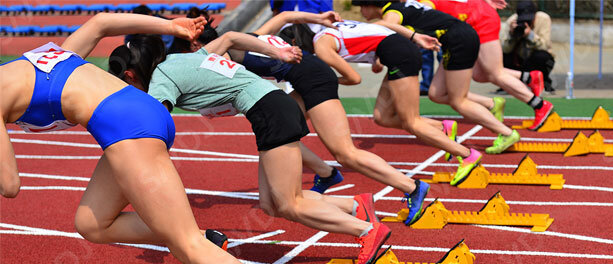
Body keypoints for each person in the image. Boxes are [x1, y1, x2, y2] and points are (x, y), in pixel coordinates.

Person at [0, 12, 313, 264]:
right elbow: (99, 23)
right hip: (136, 115)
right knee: (92, 223)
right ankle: (205, 237)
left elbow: (10, 185)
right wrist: (172, 26)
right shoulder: (33, 61)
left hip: (128, 126)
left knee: (185, 246)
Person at [109, 23, 392, 264]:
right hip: (271, 108)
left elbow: (152, 123)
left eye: (125, 84)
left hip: (270, 111)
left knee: (290, 204)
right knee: (272, 204)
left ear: (131, 74)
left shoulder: (160, 79)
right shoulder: (178, 60)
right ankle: (355, 206)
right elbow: (231, 37)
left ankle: (366, 231)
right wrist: (277, 52)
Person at [213, 11, 433, 221]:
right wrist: (318, 18)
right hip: (306, 78)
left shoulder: (221, 55)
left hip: (312, 79)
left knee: (345, 153)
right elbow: (286, 16)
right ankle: (326, 173)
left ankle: (412, 187)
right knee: (276, 136)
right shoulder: (251, 36)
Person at [312, 19, 483, 185]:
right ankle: (441, 128)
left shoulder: (320, 44)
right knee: (382, 117)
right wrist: (414, 36)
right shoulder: (336, 26)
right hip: (398, 52)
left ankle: (467, 155)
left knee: (412, 122)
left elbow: (354, 78)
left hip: (400, 56)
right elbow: (381, 25)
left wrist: (330, 80)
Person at [354, 0, 522, 161]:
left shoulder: (392, 10)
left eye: (361, 6)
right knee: (437, 93)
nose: (361, 12)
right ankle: (454, 123)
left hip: (459, 39)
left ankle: (506, 133)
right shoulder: (402, 6)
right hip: (456, 39)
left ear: (370, 4)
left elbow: (386, 25)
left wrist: (363, 34)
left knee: (459, 100)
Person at [421, 0, 554, 134]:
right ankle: (501, 97)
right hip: (462, 29)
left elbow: (424, 14)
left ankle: (540, 106)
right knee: (440, 92)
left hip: (479, 19)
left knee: (495, 73)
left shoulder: (419, 4)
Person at [503, 0, 556, 93]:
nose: (526, 22)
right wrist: (512, 35)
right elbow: (505, 50)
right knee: (501, 56)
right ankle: (510, 84)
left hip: (534, 61)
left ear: (535, 14)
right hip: (518, 62)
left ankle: (542, 81)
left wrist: (530, 35)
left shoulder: (543, 18)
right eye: (523, 19)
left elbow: (545, 46)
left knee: (543, 56)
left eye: (529, 19)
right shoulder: (512, 21)